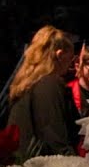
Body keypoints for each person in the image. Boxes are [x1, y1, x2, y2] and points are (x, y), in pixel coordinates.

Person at [7, 26, 77, 155]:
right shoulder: (50, 84)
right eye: (70, 59)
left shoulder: (24, 85)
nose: (70, 67)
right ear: (60, 55)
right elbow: (55, 136)